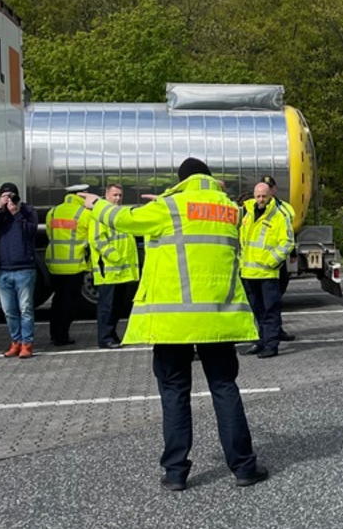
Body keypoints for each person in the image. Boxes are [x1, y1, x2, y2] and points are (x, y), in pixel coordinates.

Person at [78, 157, 268, 491]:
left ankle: (177, 472)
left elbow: (124, 219)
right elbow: (206, 206)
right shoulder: (228, 210)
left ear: (180, 182)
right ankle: (244, 468)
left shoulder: (168, 208)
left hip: (174, 322)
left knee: (175, 393)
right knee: (225, 389)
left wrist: (96, 204)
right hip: (218, 319)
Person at [239, 182, 296, 359]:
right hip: (248, 273)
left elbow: (287, 242)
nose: (261, 199)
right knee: (257, 311)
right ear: (254, 196)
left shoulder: (279, 216)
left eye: (264, 196)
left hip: (267, 273)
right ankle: (261, 341)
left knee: (271, 310)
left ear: (269, 195)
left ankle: (271, 345)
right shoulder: (247, 213)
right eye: (258, 196)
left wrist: (271, 261)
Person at [0, 182, 39, 359]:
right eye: (5, 196)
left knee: (25, 309)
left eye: (12, 196)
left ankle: (27, 344)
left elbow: (31, 232)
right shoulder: (0, 214)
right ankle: (15, 342)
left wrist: (16, 213)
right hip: (4, 269)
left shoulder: (27, 211)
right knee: (9, 311)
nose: (10, 199)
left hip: (24, 268)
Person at [89, 184, 140, 349]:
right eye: (114, 195)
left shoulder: (120, 214)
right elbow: (98, 240)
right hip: (109, 270)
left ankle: (111, 335)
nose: (117, 198)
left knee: (117, 306)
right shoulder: (99, 215)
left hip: (121, 271)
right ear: (106, 195)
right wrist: (116, 258)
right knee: (107, 306)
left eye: (120, 195)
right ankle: (105, 338)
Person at [45, 190, 91, 346]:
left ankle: (54, 334)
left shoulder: (53, 212)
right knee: (69, 304)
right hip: (74, 266)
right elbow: (89, 237)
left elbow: (49, 234)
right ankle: (62, 336)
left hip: (54, 265)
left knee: (57, 301)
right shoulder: (84, 213)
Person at [259, 175, 297, 342]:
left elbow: (289, 233)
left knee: (276, 298)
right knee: (261, 302)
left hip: (277, 259)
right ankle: (264, 334)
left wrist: (293, 253)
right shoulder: (254, 207)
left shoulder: (285, 208)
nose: (268, 190)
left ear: (274, 189)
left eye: (270, 187)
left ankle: (276, 330)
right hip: (259, 262)